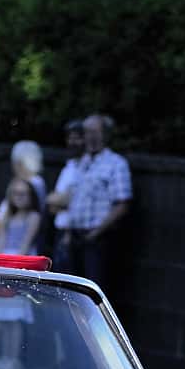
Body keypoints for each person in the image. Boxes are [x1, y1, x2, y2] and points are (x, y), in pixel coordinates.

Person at [48, 113, 132, 293]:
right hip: (75, 235)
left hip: (98, 237)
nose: (90, 136)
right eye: (86, 132)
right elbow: (73, 199)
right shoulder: (81, 163)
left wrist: (96, 232)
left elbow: (122, 204)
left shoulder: (116, 163)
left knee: (93, 288)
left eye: (95, 132)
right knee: (71, 288)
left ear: (105, 134)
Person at [0, 179, 42, 369]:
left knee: (14, 316)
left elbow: (26, 244)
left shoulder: (33, 217)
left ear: (31, 196)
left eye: (23, 194)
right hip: (4, 264)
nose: (19, 198)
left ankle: (13, 359)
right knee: (3, 316)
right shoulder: (7, 217)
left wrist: (15, 267)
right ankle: (5, 357)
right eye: (15, 193)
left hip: (18, 266)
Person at [46, 119, 85, 270]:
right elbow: (52, 204)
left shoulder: (86, 167)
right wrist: (57, 200)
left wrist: (59, 200)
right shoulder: (69, 166)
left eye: (77, 138)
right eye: (70, 138)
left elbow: (68, 199)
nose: (72, 142)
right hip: (60, 231)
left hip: (75, 233)